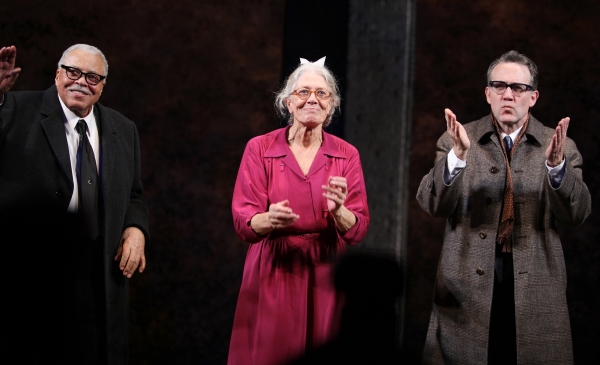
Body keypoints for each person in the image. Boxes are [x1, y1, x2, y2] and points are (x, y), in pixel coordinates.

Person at [417, 50, 591, 364]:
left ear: (533, 97)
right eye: (499, 86)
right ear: (488, 94)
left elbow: (577, 214)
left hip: (535, 289)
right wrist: (457, 158)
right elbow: (432, 203)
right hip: (466, 290)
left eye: (518, 87)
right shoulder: (458, 138)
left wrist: (557, 169)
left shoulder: (559, 145)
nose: (507, 94)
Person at [0, 44, 149, 364]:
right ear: (57, 74)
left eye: (93, 77)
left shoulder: (123, 129)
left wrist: (136, 228)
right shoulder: (13, 108)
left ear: (103, 85)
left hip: (100, 274)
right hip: (28, 272)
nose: (82, 81)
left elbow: (135, 194)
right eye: (73, 72)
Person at [228, 56, 370, 365]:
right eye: (303, 92)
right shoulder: (260, 148)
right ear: (288, 102)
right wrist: (268, 219)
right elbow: (243, 220)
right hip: (273, 267)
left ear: (331, 106)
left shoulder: (347, 155)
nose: (312, 100)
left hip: (326, 269)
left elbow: (358, 228)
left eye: (322, 94)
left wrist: (338, 212)